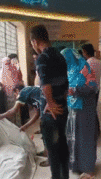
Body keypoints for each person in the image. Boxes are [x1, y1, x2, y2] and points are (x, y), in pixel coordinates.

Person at [30, 24, 70, 179]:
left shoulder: (42, 58)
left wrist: (50, 102)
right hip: (63, 108)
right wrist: (60, 101)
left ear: (34, 41)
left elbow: (45, 83)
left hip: (51, 113)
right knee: (63, 149)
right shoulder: (60, 55)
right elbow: (66, 83)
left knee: (53, 153)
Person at [61, 48, 98, 179]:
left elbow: (93, 86)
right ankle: (76, 165)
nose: (64, 62)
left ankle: (88, 168)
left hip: (85, 108)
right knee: (74, 136)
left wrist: (75, 90)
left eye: (65, 59)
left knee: (85, 137)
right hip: (73, 108)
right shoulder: (69, 69)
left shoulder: (84, 67)